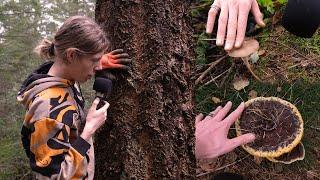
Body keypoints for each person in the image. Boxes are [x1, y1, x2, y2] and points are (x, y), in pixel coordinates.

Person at [17, 16, 130, 179]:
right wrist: (88, 131)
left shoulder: (61, 76)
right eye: (94, 60)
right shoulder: (48, 112)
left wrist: (97, 60)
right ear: (71, 56)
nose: (98, 66)